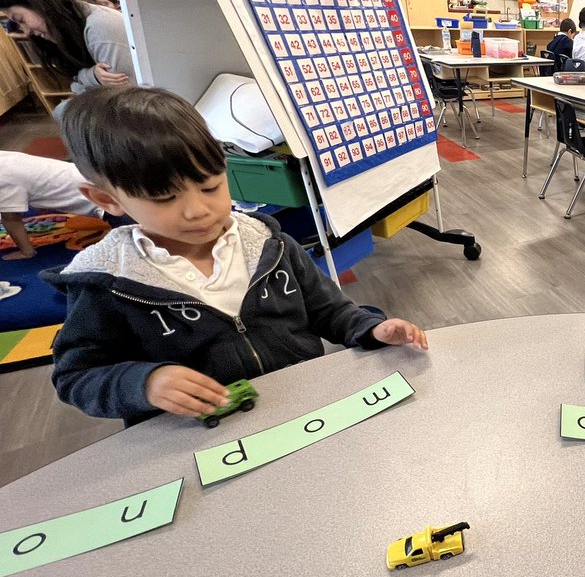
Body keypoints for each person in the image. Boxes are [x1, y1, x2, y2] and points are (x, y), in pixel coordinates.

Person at [42, 86, 428, 426]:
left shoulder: (270, 246)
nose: (197, 210)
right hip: (198, 437)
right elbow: (77, 376)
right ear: (107, 199)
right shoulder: (104, 284)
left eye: (210, 187)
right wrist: (144, 382)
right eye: (164, 199)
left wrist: (371, 328)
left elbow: (330, 311)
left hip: (304, 407)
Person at [0, 0, 132, 116]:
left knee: (63, 112)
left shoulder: (100, 25)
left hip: (134, 111)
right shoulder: (68, 28)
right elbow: (76, 84)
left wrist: (87, 81)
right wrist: (91, 76)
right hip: (115, 104)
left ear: (36, 3)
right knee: (62, 111)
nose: (26, 32)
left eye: (21, 19)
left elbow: (127, 97)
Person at [0, 150, 100, 260]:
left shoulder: (3, 177)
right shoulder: (7, 158)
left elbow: (11, 219)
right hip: (97, 177)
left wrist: (26, 252)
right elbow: (36, 177)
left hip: (100, 204)